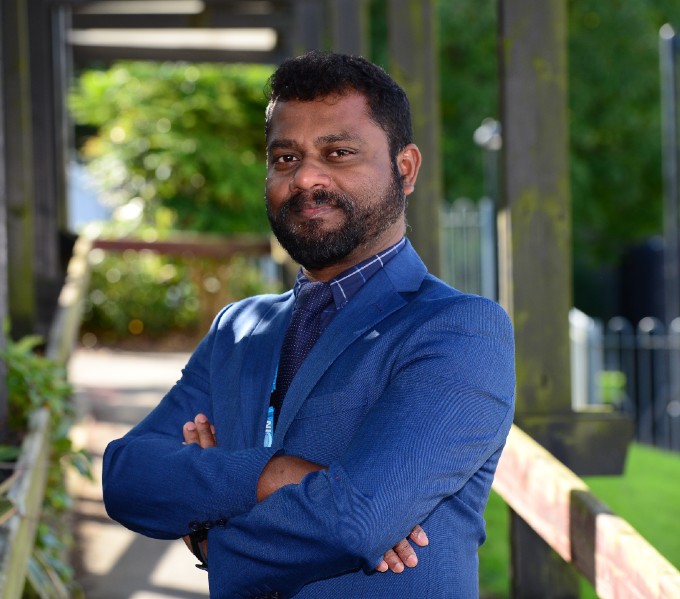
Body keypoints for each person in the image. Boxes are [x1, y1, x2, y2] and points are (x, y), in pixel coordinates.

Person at [102, 50, 515, 598]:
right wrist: (276, 476)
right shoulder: (238, 328)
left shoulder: (458, 330)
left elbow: (354, 521)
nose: (306, 178)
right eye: (285, 157)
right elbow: (128, 475)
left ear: (405, 168)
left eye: (339, 152)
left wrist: (206, 531)